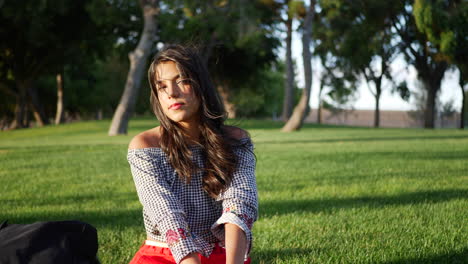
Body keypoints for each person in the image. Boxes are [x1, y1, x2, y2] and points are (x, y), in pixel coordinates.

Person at [127, 44, 258, 264]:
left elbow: (239, 205)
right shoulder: (145, 146)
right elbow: (166, 215)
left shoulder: (236, 141)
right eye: (162, 86)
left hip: (224, 254)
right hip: (164, 254)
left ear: (202, 85)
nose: (172, 93)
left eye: (182, 81)